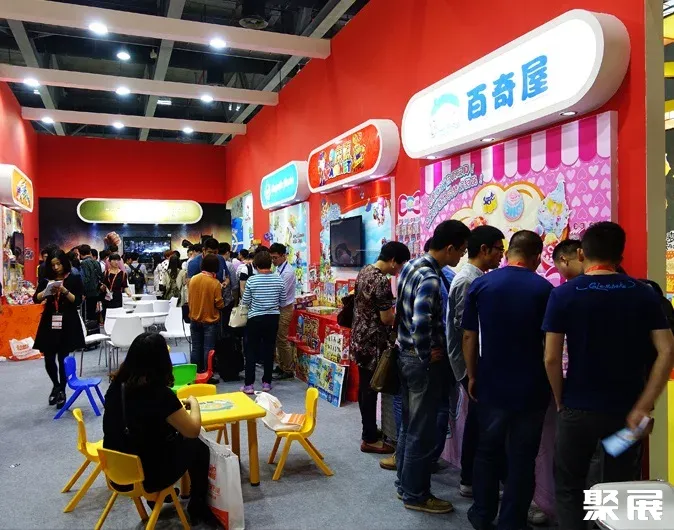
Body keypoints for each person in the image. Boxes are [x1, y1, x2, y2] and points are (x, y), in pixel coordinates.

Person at [543, 222, 674, 529]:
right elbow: (667, 350)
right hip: (626, 415)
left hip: (577, 410)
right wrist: (644, 405)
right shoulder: (643, 293)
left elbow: (551, 357)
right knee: (617, 488)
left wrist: (561, 399)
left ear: (581, 253)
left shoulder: (564, 294)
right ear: (620, 256)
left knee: (570, 487)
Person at [462, 230, 553, 530]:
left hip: (491, 381)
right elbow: (550, 346)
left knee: (487, 451)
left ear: (509, 252)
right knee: (523, 458)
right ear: (537, 256)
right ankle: (512, 521)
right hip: (531, 385)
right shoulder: (544, 289)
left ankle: (482, 514)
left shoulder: (481, 285)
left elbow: (469, 336)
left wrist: (472, 374)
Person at [102, 333, 216, 526]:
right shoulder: (160, 394)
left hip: (117, 472)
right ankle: (197, 504)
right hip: (149, 477)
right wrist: (194, 403)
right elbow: (193, 430)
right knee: (197, 446)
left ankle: (157, 498)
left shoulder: (115, 387)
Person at [396, 219, 470, 514]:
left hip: (405, 356)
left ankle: (404, 484)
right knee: (422, 431)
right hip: (421, 362)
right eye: (461, 250)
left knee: (409, 426)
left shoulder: (411, 266)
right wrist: (426, 355)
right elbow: (421, 321)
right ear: (450, 247)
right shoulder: (430, 277)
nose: (461, 256)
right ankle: (416, 494)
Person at [445, 225, 505, 498]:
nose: (501, 256)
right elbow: (467, 332)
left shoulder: (476, 278)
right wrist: (472, 372)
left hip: (473, 362)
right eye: (499, 250)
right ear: (484, 249)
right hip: (469, 363)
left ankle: (471, 478)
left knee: (478, 421)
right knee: (480, 423)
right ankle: (470, 479)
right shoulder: (469, 281)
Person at [351, 241, 410, 453]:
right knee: (371, 389)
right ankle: (369, 438)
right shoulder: (381, 281)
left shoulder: (365, 271)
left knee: (365, 388)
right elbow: (386, 318)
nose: (400, 269)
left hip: (359, 337)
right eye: (400, 264)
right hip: (373, 342)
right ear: (393, 261)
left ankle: (368, 430)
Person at [33, 249, 85, 409]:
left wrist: (64, 291)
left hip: (68, 320)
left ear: (64, 263)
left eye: (59, 264)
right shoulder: (46, 280)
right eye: (53, 265)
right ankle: (55, 385)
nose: (56, 268)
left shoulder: (74, 278)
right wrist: (46, 291)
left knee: (63, 358)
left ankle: (62, 389)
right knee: (48, 357)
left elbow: (77, 301)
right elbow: (36, 299)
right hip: (50, 320)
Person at [241, 251, 284, 395]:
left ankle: (249, 385)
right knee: (269, 349)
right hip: (273, 318)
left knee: (251, 351)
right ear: (270, 264)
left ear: (256, 265)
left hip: (255, 318)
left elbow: (246, 301)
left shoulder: (252, 280)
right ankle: (267, 382)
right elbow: (283, 301)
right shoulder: (278, 279)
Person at [188, 254, 224, 372]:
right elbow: (219, 304)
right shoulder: (215, 283)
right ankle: (208, 373)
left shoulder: (193, 279)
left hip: (194, 318)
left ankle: (195, 372)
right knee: (208, 349)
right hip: (210, 321)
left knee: (196, 347)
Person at [269, 243, 297, 380]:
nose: (273, 261)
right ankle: (281, 365)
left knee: (282, 338)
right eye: (272, 258)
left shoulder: (288, 272)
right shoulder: (278, 269)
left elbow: (280, 292)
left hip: (285, 308)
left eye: (275, 258)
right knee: (278, 339)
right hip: (277, 307)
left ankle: (288, 369)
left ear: (283, 256)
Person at [79, 244, 103, 322]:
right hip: (96, 290)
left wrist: (83, 292)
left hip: (88, 292)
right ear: (89, 252)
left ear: (80, 253)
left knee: (87, 314)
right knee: (93, 312)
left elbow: (86, 278)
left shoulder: (83, 263)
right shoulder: (96, 262)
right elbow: (100, 276)